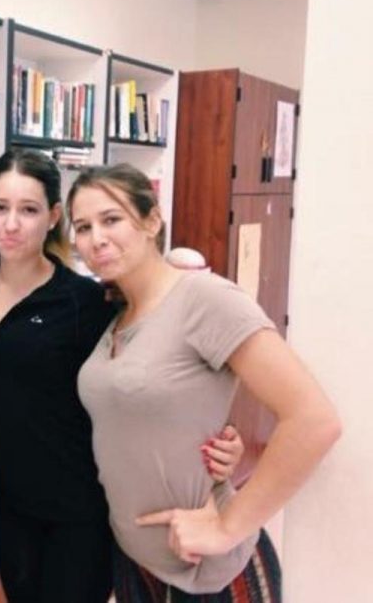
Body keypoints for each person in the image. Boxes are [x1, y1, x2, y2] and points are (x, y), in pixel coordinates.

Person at [0, 150, 243, 603]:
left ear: (53, 217)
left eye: (29, 209)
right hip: (5, 503)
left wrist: (222, 441)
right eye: (0, 208)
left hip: (76, 510)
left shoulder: (86, 302)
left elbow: (165, 370)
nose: (11, 224)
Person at [68, 162, 341, 601]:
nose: (95, 237)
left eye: (111, 219)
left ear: (152, 220)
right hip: (136, 565)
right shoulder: (117, 316)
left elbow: (313, 420)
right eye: (82, 226)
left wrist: (226, 527)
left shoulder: (205, 299)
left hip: (208, 574)